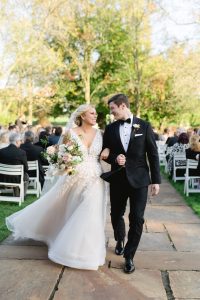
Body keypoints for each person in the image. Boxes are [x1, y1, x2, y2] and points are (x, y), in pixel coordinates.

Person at [6, 104, 107, 270]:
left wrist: (108, 150)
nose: (95, 116)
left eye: (95, 113)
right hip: (74, 176)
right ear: (82, 116)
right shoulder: (70, 133)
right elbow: (61, 151)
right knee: (69, 208)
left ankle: (86, 253)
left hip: (95, 177)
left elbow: (104, 151)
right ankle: (61, 239)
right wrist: (62, 160)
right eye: (92, 113)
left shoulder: (100, 134)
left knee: (90, 211)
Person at [101, 94, 161, 274]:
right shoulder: (110, 128)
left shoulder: (144, 126)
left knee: (137, 218)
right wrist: (114, 158)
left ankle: (129, 256)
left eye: (112, 109)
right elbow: (104, 152)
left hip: (140, 179)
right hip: (118, 178)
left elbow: (153, 154)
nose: (111, 113)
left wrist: (156, 180)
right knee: (116, 213)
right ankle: (119, 239)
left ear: (122, 106)